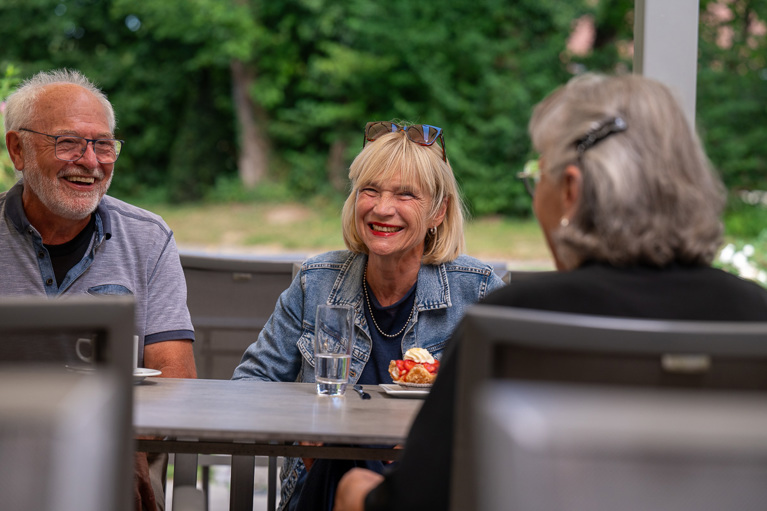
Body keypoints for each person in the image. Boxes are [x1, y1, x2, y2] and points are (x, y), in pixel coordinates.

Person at [333, 73, 767, 511]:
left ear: (572, 192)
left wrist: (354, 494)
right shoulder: (757, 314)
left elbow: (417, 502)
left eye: (538, 174)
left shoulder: (513, 321)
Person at [233, 121, 505, 510]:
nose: (382, 208)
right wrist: (298, 433)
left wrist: (430, 440)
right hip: (321, 491)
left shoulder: (476, 291)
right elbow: (247, 385)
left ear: (438, 211)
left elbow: (513, 407)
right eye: (370, 190)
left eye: (406, 194)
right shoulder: (316, 282)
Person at [1, 69, 197, 511]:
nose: (90, 161)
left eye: (103, 144)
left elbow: (177, 382)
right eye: (68, 142)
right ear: (18, 149)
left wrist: (125, 450)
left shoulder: (148, 238)